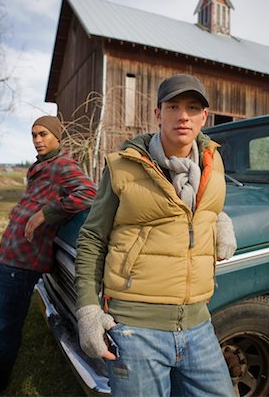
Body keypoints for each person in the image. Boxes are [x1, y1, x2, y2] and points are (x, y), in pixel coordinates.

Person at [75, 75, 237, 397]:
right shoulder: (123, 166)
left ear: (205, 117)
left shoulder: (212, 160)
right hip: (137, 329)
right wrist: (88, 309)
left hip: (198, 323)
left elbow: (199, 208)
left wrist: (218, 218)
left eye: (193, 108)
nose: (183, 116)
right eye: (173, 106)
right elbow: (92, 237)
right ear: (157, 113)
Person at [0, 116, 97, 396]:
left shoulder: (63, 165)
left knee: (5, 330)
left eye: (43, 134)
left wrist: (47, 213)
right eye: (33, 135)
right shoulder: (40, 166)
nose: (38, 140)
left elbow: (89, 193)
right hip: (5, 257)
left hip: (22, 263)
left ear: (57, 137)